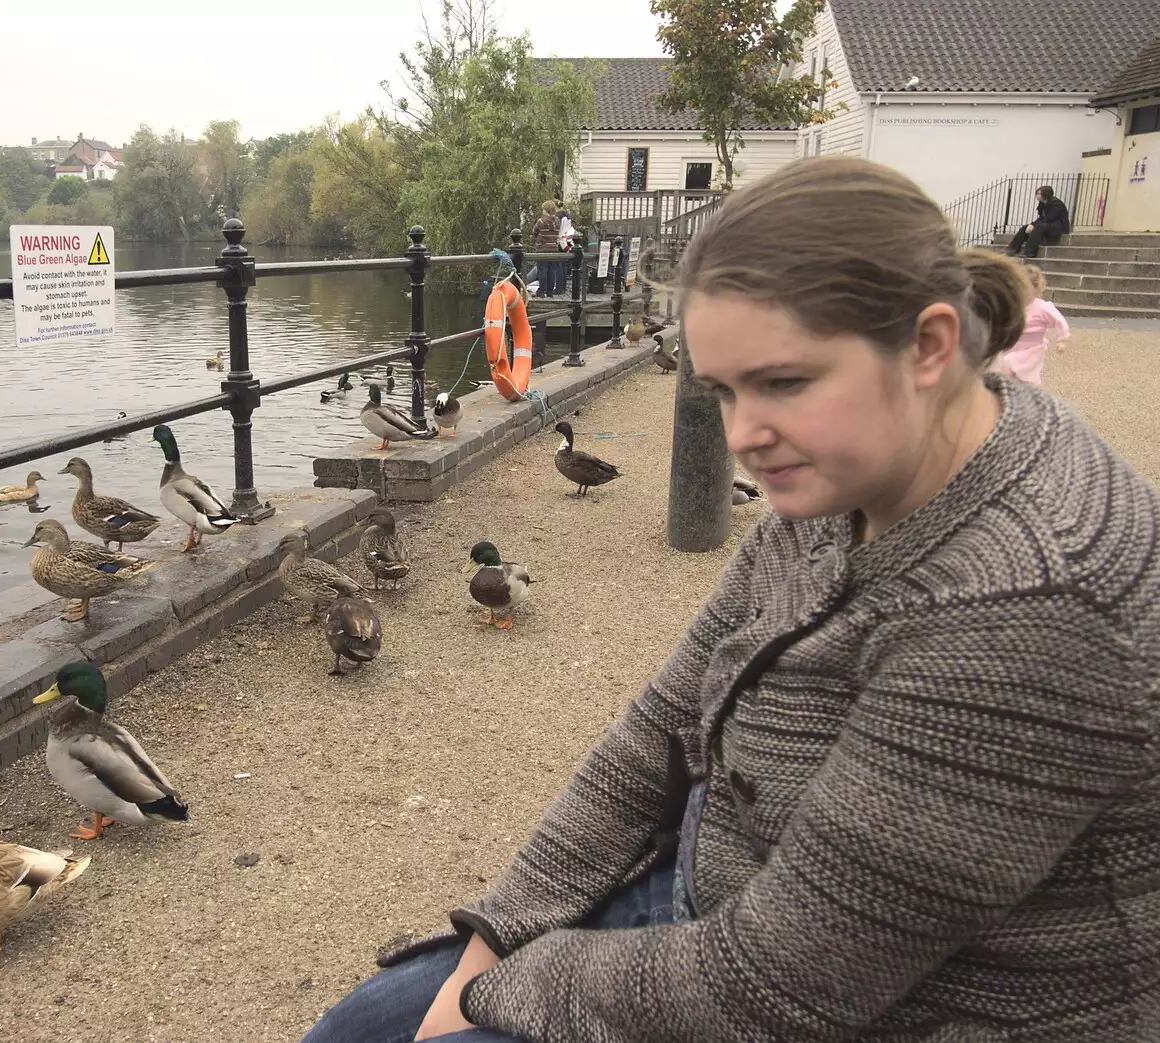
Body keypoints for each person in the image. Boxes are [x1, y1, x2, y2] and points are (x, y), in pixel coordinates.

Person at [302, 154, 1160, 1043]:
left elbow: (777, 988)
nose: (744, 436)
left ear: (930, 346)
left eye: (784, 381)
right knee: (355, 1029)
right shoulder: (856, 466)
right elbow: (663, 722)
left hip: (900, 1004)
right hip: (724, 890)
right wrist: (499, 929)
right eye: (723, 389)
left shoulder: (1026, 606)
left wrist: (498, 992)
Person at [990, 265, 1069, 385]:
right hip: (1012, 344)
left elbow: (1059, 321)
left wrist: (1061, 340)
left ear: (1036, 288)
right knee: (1001, 367)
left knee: (1014, 367)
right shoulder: (1014, 304)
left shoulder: (1043, 307)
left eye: (1024, 289)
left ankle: (1024, 394)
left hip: (1032, 349)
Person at [1005, 184, 1070, 258]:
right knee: (1025, 227)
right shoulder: (1042, 204)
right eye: (1037, 193)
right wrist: (1032, 224)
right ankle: (1011, 249)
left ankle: (1029, 252)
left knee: (1039, 227)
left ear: (1046, 194)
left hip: (1059, 226)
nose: (1037, 195)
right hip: (1048, 224)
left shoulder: (1057, 203)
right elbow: (1041, 218)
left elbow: (1050, 218)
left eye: (1039, 193)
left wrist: (1034, 225)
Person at [531, 200, 563, 298]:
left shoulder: (541, 221)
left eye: (543, 210)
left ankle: (541, 291)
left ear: (546, 210)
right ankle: (550, 291)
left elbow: (534, 231)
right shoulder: (558, 221)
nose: (542, 211)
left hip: (542, 249)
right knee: (551, 271)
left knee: (542, 271)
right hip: (554, 248)